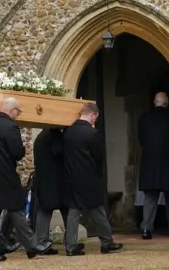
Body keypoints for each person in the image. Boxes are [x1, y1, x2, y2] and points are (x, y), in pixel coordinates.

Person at [0, 97, 51, 263]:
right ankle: (32, 245)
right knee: (16, 208)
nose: (18, 115)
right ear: (12, 111)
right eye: (18, 112)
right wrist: (23, 146)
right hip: (5, 176)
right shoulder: (10, 126)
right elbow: (17, 153)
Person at [63, 103, 123, 256]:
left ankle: (70, 246)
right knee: (98, 211)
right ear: (92, 115)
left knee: (74, 212)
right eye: (95, 118)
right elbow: (98, 158)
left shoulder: (68, 132)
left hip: (72, 177)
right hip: (89, 177)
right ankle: (106, 243)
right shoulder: (92, 133)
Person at [138, 92, 169, 239]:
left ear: (154, 102)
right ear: (166, 103)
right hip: (168, 161)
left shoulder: (144, 118)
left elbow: (141, 138)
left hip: (149, 161)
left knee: (150, 197)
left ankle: (146, 229)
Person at [33, 128, 69, 255]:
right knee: (67, 210)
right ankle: (69, 241)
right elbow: (59, 152)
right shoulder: (53, 135)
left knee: (44, 212)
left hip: (44, 180)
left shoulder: (40, 137)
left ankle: (42, 242)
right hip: (55, 181)